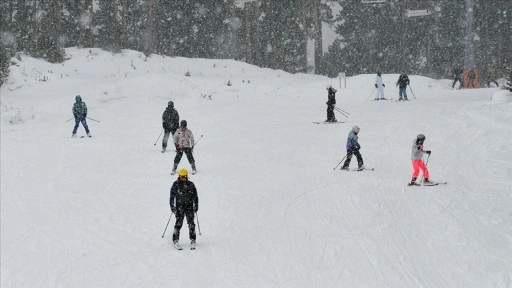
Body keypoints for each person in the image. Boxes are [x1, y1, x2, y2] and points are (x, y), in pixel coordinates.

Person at [169, 168, 199, 249]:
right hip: (180, 208)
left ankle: (193, 240)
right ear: (179, 176)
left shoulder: (191, 184)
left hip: (189, 207)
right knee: (178, 224)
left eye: (184, 176)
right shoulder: (175, 184)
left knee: (191, 224)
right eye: (182, 176)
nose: (183, 178)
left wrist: (196, 205)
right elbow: (172, 196)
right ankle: (175, 240)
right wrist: (172, 206)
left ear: (186, 176)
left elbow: (195, 196)